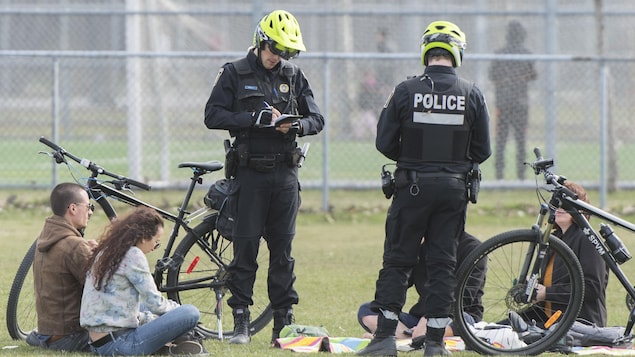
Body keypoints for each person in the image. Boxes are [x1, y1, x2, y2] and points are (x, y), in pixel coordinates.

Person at [357, 20, 491, 357]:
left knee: (398, 261)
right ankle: (434, 343)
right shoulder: (472, 93)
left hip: (412, 188)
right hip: (453, 190)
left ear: (426, 53)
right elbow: (483, 150)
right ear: (456, 54)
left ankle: (385, 340)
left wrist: (414, 161)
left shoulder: (404, 91)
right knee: (443, 264)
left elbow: (384, 141)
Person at [203, 9, 324, 345]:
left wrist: (297, 124)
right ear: (261, 42)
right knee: (245, 251)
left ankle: (283, 325)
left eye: (287, 53)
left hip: (285, 175)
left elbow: (317, 119)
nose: (279, 58)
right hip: (250, 174)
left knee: (283, 253)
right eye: (276, 50)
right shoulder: (234, 73)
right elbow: (212, 115)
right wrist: (252, 119)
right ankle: (241, 321)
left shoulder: (294, 75)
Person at [80, 207, 203, 356]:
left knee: (144, 306)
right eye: (156, 242)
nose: (154, 248)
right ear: (144, 237)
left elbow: (125, 307)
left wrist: (154, 318)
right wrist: (176, 312)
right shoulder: (133, 255)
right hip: (121, 344)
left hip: (98, 343)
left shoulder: (106, 251)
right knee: (190, 312)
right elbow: (156, 304)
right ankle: (174, 343)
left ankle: (169, 345)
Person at [357, 232, 485, 344]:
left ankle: (404, 337)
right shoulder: (420, 246)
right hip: (419, 319)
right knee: (367, 310)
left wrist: (431, 316)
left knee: (464, 320)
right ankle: (414, 337)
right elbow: (397, 285)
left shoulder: (473, 248)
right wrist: (402, 256)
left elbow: (465, 297)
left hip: (457, 316)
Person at [515, 181, 608, 329]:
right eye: (557, 203)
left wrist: (547, 293)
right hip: (549, 317)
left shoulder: (588, 240)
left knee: (514, 334)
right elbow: (555, 280)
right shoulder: (555, 239)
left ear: (581, 210)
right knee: (502, 327)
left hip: (579, 322)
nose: (560, 208)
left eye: (566, 204)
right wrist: (535, 287)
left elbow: (592, 287)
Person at [26, 182, 96, 352]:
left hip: (47, 332)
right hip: (70, 336)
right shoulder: (74, 246)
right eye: (88, 206)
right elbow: (102, 288)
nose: (90, 212)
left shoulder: (47, 237)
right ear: (73, 208)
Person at [488, 20, 537, 181]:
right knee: (520, 141)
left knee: (501, 141)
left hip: (504, 102)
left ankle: (499, 176)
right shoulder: (526, 54)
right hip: (519, 103)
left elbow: (493, 76)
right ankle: (521, 176)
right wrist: (518, 79)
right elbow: (533, 74)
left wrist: (507, 80)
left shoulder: (500, 53)